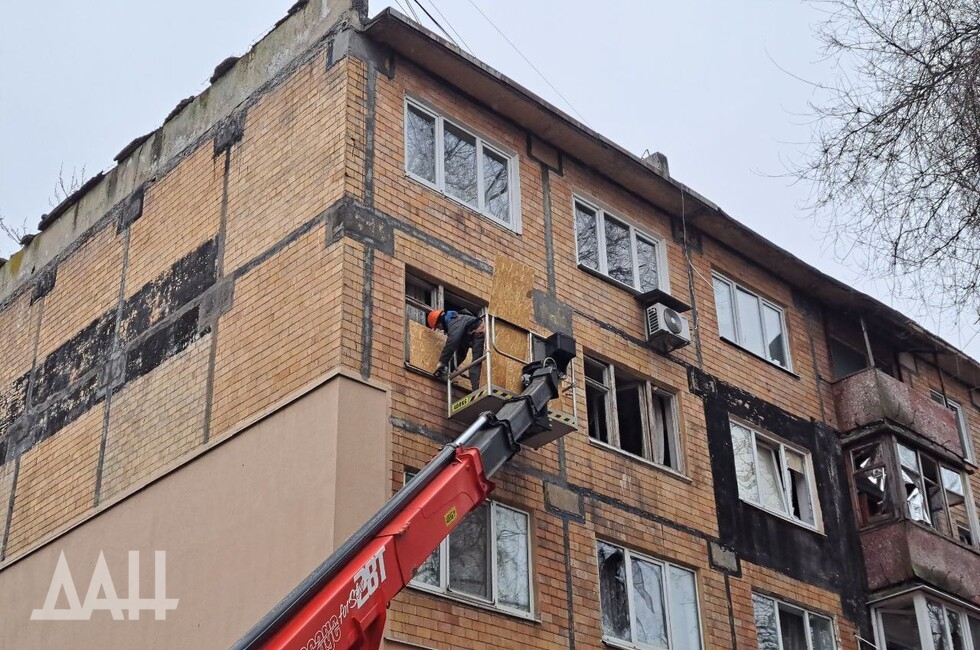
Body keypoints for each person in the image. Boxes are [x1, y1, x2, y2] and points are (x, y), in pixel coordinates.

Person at [425, 308, 486, 388]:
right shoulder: (454, 322)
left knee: (475, 364)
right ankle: (446, 371)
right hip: (469, 336)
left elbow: (453, 341)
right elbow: (460, 354)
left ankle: (476, 390)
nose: (440, 329)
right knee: (460, 354)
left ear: (441, 321)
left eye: (438, 326)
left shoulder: (454, 321)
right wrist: (446, 369)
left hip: (478, 332)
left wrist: (442, 362)